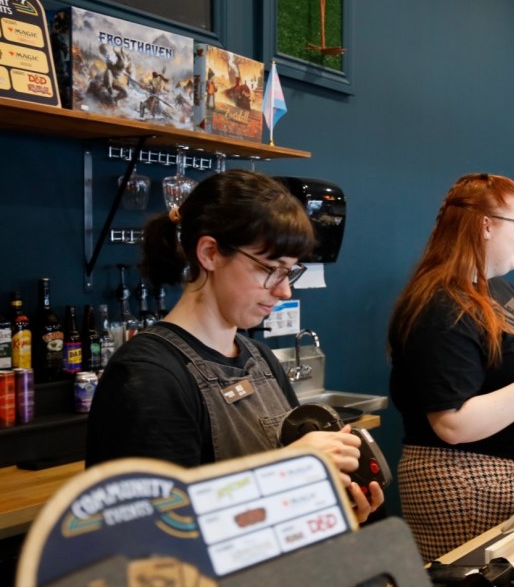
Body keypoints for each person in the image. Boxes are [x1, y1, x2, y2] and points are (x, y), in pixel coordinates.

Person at [86, 170, 384, 524]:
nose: (284, 291)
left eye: (289, 272)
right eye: (271, 269)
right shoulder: (148, 376)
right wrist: (286, 469)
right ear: (210, 253)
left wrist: (328, 505)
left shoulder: (260, 359)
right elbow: (155, 532)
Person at [387, 173, 514, 560]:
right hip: (467, 483)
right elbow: (453, 423)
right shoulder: (441, 305)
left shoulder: (497, 288)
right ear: (486, 226)